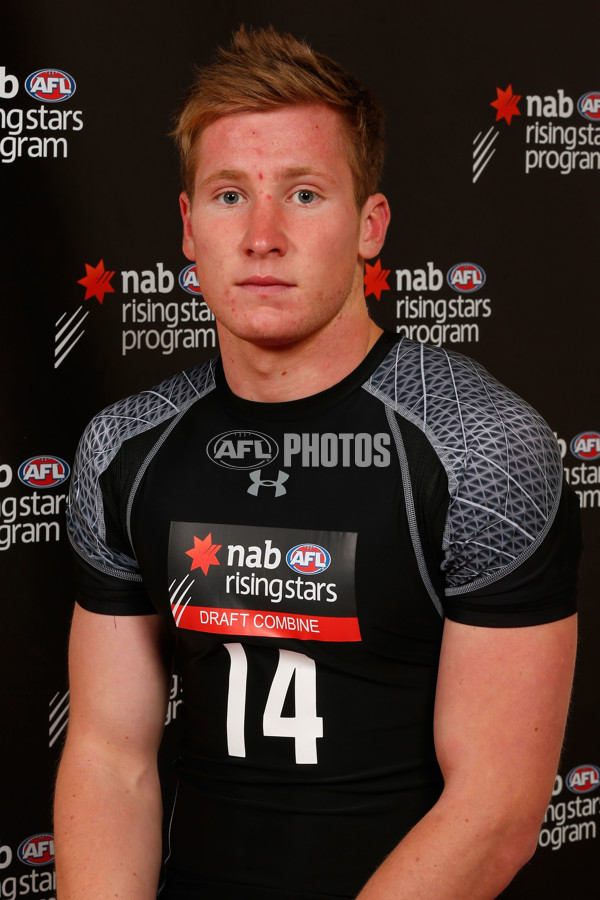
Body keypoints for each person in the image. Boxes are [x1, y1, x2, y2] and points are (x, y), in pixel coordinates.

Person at [54, 25, 580, 900]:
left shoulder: (481, 448)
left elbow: (496, 812)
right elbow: (111, 757)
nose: (262, 235)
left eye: (303, 194)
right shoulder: (124, 449)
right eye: (228, 196)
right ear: (187, 227)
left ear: (370, 225)